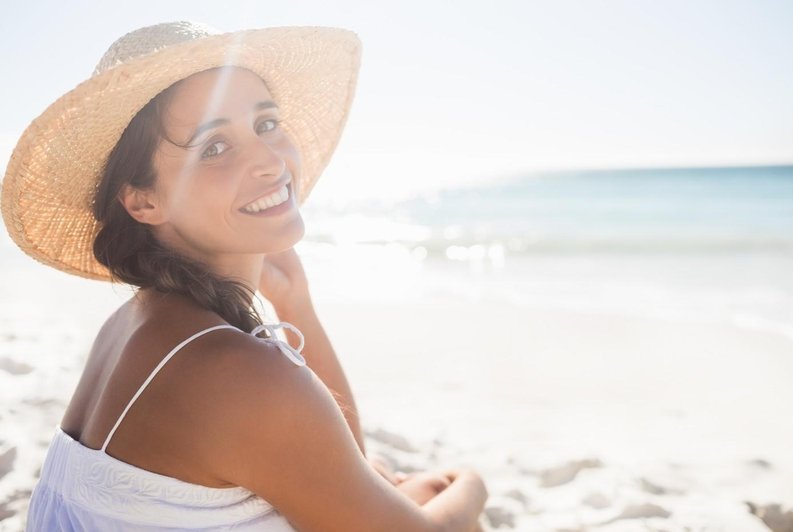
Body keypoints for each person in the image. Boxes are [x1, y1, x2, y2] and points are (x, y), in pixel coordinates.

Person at [1, 21, 488, 531]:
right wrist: (473, 484)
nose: (269, 159)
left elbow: (340, 467)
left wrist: (296, 303)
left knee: (401, 484)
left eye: (266, 124)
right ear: (143, 200)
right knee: (449, 502)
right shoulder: (235, 373)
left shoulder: (133, 324)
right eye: (213, 147)